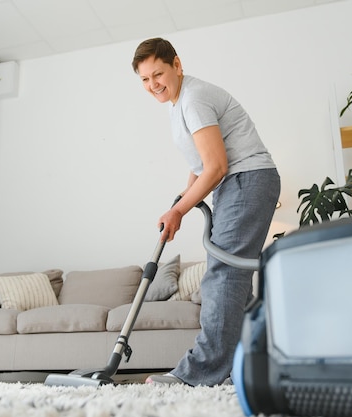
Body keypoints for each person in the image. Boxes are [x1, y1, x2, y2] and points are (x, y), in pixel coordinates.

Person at [131, 38, 281, 387]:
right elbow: (200, 165)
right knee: (236, 283)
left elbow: (216, 167)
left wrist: (181, 210)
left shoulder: (194, 99)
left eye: (158, 74)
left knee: (222, 276)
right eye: (144, 79)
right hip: (240, 182)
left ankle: (198, 373)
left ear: (177, 65)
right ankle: (243, 368)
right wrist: (180, 201)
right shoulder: (177, 103)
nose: (153, 84)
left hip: (247, 179)